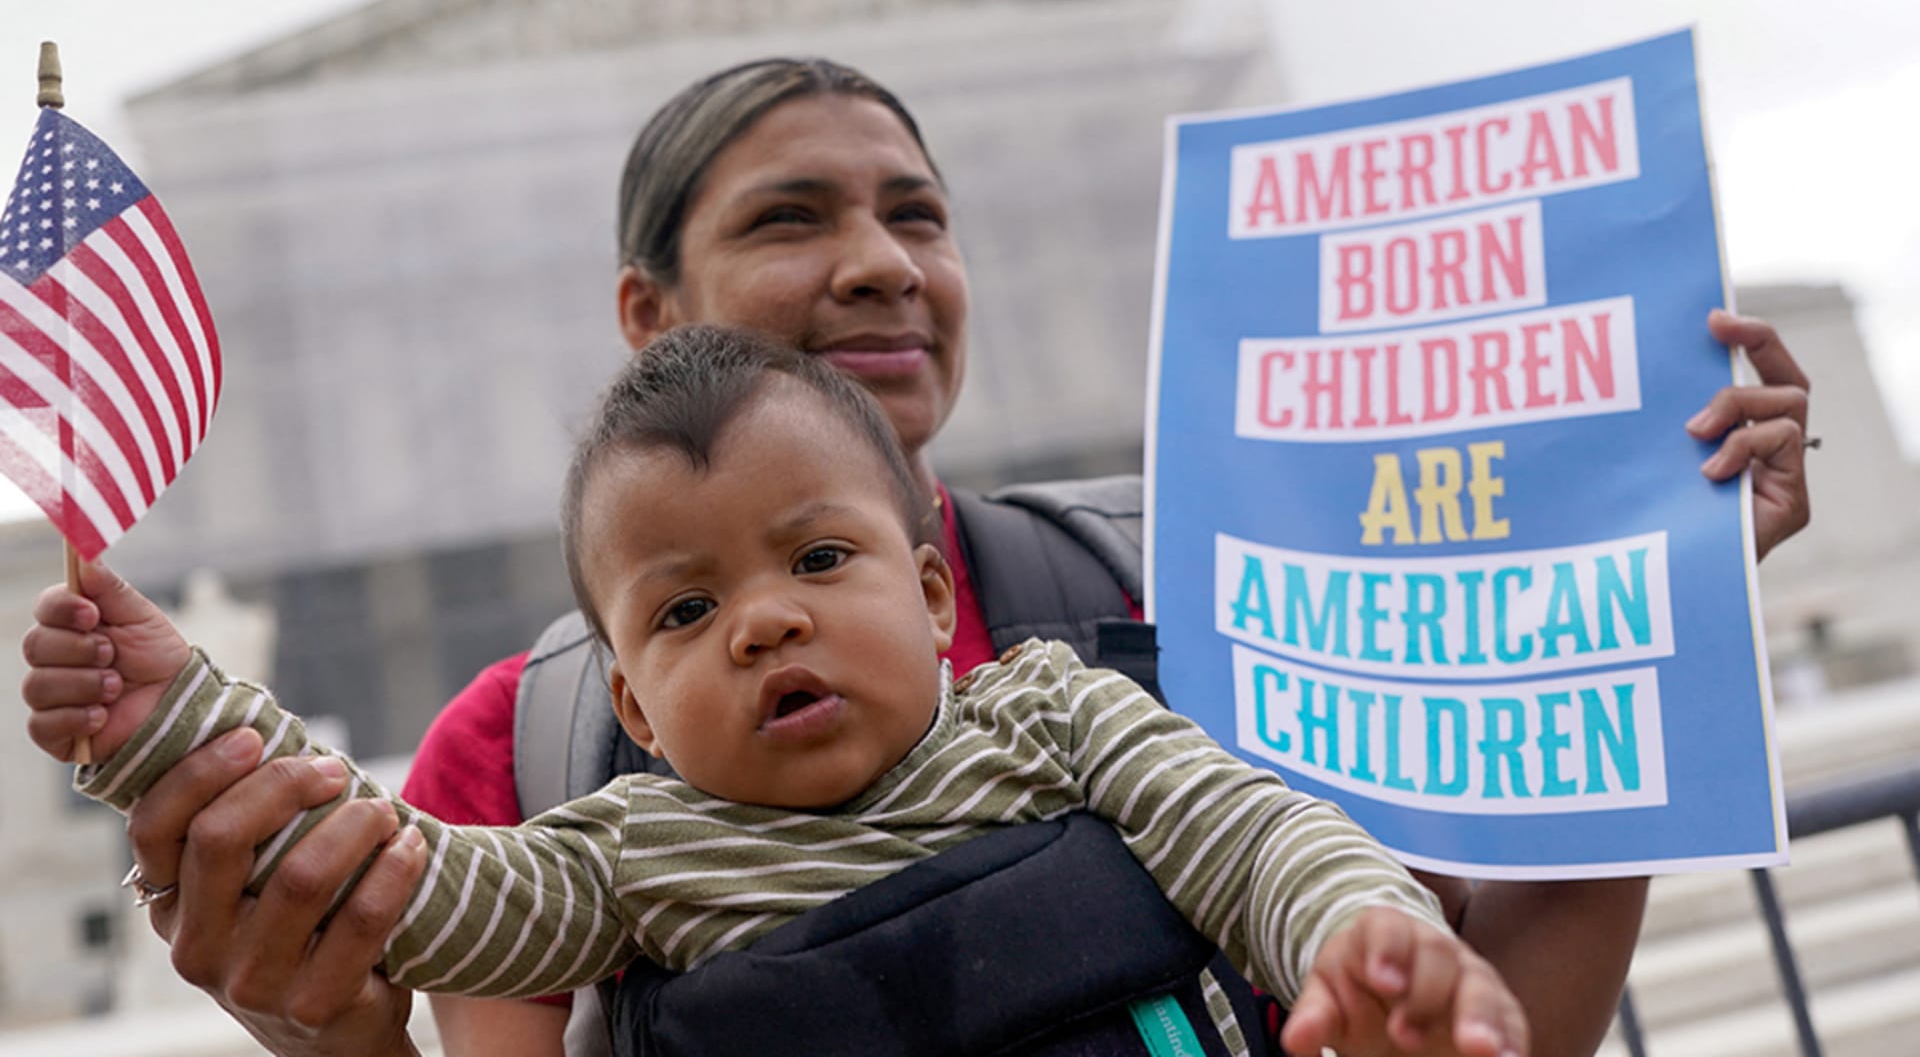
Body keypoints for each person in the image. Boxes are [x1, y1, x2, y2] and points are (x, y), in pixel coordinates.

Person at [79, 57, 1813, 1057]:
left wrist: (1645, 573)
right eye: (790, 219)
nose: (885, 263)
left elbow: (1420, 956)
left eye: (917, 213)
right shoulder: (544, 782)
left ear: (923, 598)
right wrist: (192, 752)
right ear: (648, 318)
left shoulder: (1169, 617)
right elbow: (406, 876)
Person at [27, 325, 1532, 1057]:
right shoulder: (624, 853)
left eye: (817, 557)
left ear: (936, 597)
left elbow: (1257, 835)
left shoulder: (1060, 715)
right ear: (629, 693)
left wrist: (1369, 939)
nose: (761, 625)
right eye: (686, 608)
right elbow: (396, 881)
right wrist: (174, 720)